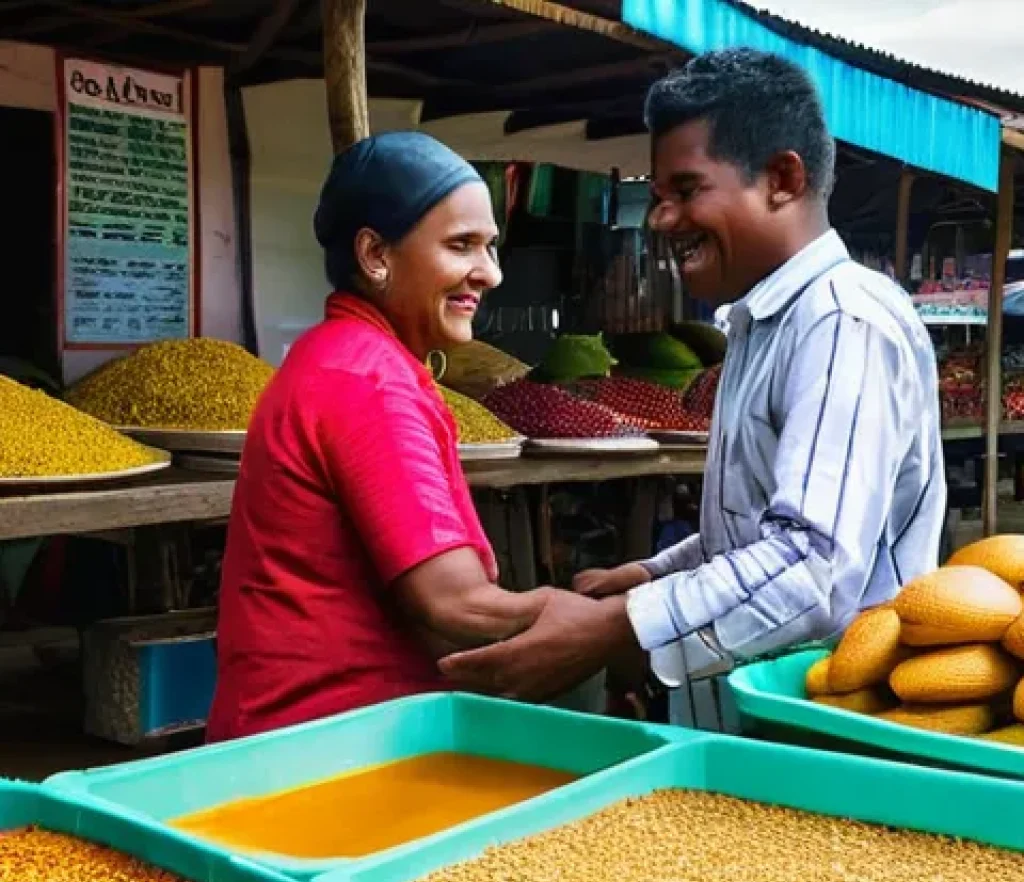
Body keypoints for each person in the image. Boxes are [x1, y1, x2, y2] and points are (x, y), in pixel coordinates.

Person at [440, 48, 946, 708]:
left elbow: (809, 566)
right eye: (656, 199)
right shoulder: (763, 323)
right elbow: (755, 532)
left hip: (831, 723)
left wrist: (613, 627)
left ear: (782, 179)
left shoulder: (842, 321)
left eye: (685, 191)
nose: (660, 220)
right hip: (765, 715)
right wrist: (648, 576)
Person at [207, 132, 590, 742]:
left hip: (321, 739)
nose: (489, 273)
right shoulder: (366, 380)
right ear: (375, 255)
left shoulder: (341, 357)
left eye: (490, 247)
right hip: (325, 754)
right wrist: (612, 624)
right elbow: (455, 604)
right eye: (461, 245)